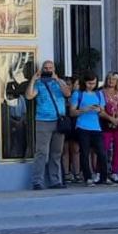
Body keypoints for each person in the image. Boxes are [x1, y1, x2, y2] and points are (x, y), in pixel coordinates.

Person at [25, 60, 70, 190]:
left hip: (59, 121)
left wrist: (57, 80)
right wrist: (33, 79)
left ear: (54, 69)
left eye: (50, 68)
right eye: (45, 68)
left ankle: (55, 181)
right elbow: (29, 96)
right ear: (42, 69)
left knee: (56, 152)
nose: (48, 70)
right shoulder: (39, 83)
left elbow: (67, 93)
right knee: (41, 152)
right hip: (43, 121)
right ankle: (37, 181)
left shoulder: (60, 82)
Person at [70, 74, 110, 186]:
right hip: (82, 126)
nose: (91, 85)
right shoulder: (78, 94)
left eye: (94, 83)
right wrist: (84, 109)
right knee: (84, 152)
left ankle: (104, 177)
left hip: (96, 127)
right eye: (89, 83)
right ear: (84, 82)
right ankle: (87, 177)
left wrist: (99, 110)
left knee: (102, 153)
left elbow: (102, 111)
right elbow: (72, 112)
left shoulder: (99, 94)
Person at [101, 72, 118, 184]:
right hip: (106, 124)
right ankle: (102, 171)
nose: (111, 81)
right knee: (104, 147)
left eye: (113, 79)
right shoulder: (101, 92)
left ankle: (115, 172)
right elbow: (100, 109)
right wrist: (111, 119)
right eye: (109, 79)